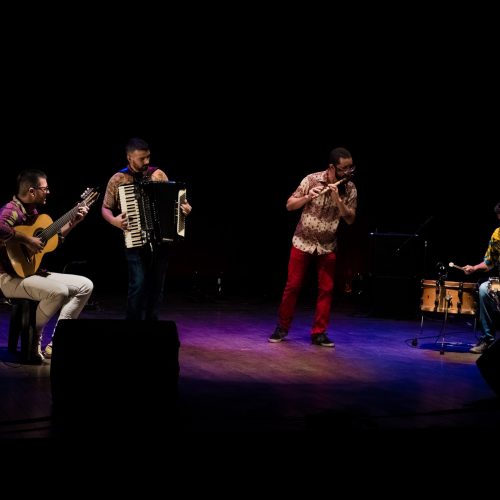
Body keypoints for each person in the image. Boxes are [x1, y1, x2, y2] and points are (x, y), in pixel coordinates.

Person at [0, 169, 94, 363]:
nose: (49, 192)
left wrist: (73, 223)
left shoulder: (33, 213)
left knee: (85, 285)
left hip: (30, 272)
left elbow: (51, 242)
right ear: (32, 191)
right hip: (8, 277)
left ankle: (58, 341)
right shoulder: (11, 210)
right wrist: (27, 240)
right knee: (58, 291)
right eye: (45, 188)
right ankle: (34, 337)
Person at [269, 147, 357, 347]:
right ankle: (282, 328)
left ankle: (319, 333)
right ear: (332, 168)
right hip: (302, 242)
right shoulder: (311, 179)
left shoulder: (350, 188)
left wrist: (338, 200)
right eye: (344, 169)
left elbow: (350, 219)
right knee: (292, 287)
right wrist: (308, 196)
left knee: (326, 289)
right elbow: (290, 205)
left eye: (351, 168)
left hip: (327, 246)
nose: (349, 172)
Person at [101, 137, 192, 320]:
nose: (147, 162)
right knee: (138, 285)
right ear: (129, 158)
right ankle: (133, 327)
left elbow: (176, 201)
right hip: (135, 240)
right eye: (142, 158)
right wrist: (115, 221)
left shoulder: (158, 175)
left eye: (148, 157)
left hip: (161, 242)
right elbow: (105, 208)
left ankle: (152, 326)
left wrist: (185, 208)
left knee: (157, 286)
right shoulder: (118, 179)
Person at [463, 201, 500, 354]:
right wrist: (474, 268)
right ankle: (488, 340)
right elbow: (489, 262)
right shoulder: (497, 234)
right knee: (485, 288)